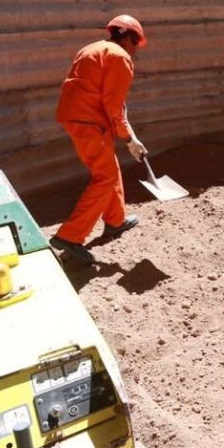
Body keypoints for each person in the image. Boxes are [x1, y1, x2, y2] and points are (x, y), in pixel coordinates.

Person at [50, 15, 149, 263]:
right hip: (89, 120)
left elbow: (112, 101)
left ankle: (115, 220)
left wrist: (131, 136)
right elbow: (113, 105)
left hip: (76, 117)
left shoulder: (93, 49)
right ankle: (70, 236)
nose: (135, 51)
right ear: (127, 37)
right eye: (135, 44)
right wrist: (128, 139)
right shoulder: (120, 57)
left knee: (108, 169)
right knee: (104, 177)